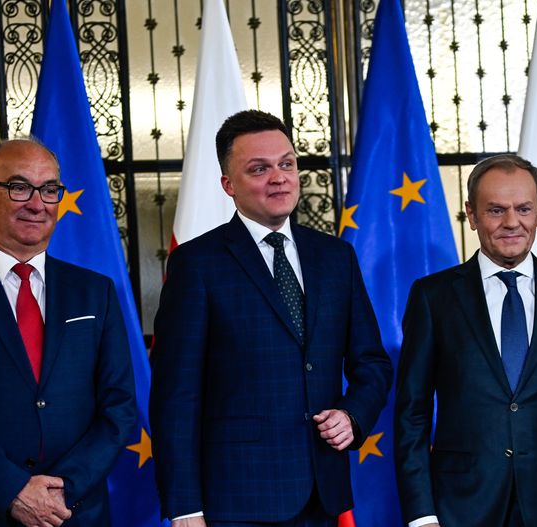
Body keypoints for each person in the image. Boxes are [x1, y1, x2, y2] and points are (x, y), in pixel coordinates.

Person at [149, 110, 393, 527]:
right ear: (229, 185)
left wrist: (353, 415)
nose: (279, 178)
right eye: (259, 169)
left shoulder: (336, 257)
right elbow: (175, 395)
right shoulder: (196, 264)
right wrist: (185, 507)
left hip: (322, 493)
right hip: (236, 501)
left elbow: (371, 362)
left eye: (287, 164)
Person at [0, 138, 138, 526]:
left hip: (73, 511)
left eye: (49, 189)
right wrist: (12, 489)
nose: (37, 204)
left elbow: (119, 406)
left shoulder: (95, 291)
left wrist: (63, 489)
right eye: (19, 187)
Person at [394, 154, 537, 527]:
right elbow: (412, 413)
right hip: (460, 507)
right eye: (496, 210)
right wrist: (422, 515)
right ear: (472, 214)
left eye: (524, 209)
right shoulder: (432, 297)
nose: (512, 222)